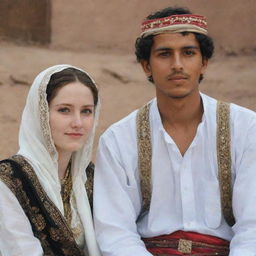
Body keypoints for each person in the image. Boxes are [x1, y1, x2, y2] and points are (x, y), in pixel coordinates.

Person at [93, 6, 256, 256]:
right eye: (165, 54)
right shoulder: (119, 140)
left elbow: (252, 229)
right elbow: (115, 233)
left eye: (188, 53)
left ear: (204, 62)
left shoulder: (245, 129)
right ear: (146, 66)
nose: (177, 65)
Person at [0, 64, 101, 256]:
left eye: (86, 111)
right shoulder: (8, 182)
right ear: (41, 113)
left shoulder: (90, 177)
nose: (78, 123)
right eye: (64, 110)